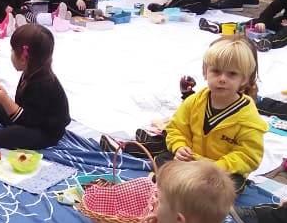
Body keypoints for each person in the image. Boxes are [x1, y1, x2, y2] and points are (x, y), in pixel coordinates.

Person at [107, 37, 265, 191]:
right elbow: (176, 128)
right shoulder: (194, 101)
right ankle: (178, 184)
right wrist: (180, 147)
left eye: (232, 74)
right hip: (190, 162)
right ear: (205, 72)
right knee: (164, 160)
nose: (222, 79)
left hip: (219, 171)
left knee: (230, 185)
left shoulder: (248, 118)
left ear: (244, 79)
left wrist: (218, 166)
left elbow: (249, 155)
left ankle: (181, 186)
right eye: (216, 71)